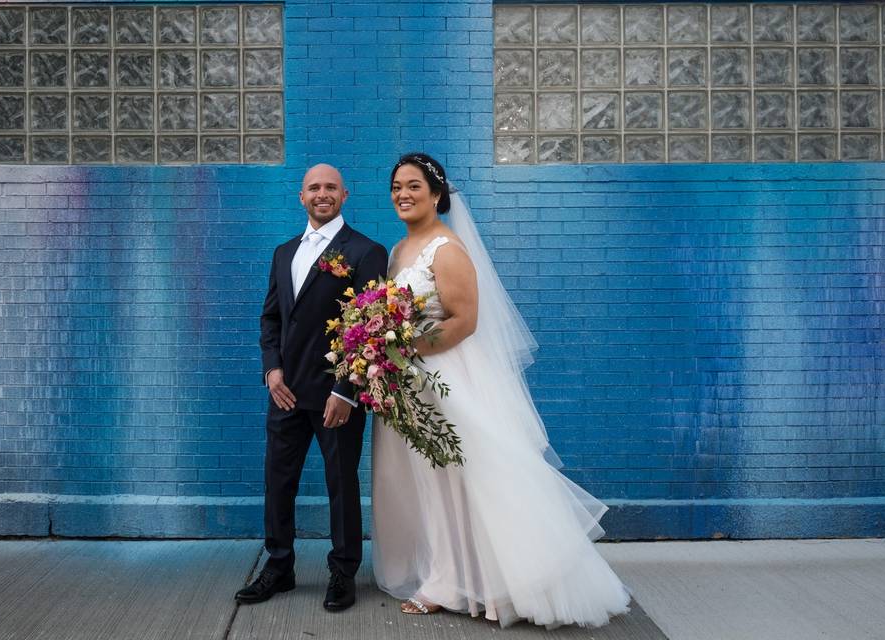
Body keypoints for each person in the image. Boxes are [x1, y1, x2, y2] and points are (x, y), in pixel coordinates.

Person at [371, 153, 631, 628]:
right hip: (410, 381)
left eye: (412, 186)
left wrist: (405, 347)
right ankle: (447, 573)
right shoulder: (399, 251)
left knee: (463, 480)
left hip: (446, 378)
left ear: (436, 194)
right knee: (431, 482)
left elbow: (464, 322)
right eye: (395, 187)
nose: (402, 195)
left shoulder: (446, 249)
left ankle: (465, 583)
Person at [236, 164, 388, 612]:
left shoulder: (365, 251)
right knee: (277, 482)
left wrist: (345, 391)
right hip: (285, 393)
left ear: (346, 194)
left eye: (330, 188)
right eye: (313, 188)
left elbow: (371, 329)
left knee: (341, 485)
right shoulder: (284, 253)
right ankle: (279, 567)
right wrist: (271, 371)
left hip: (336, 398)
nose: (322, 194)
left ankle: (343, 573)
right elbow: (272, 319)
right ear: (301, 197)